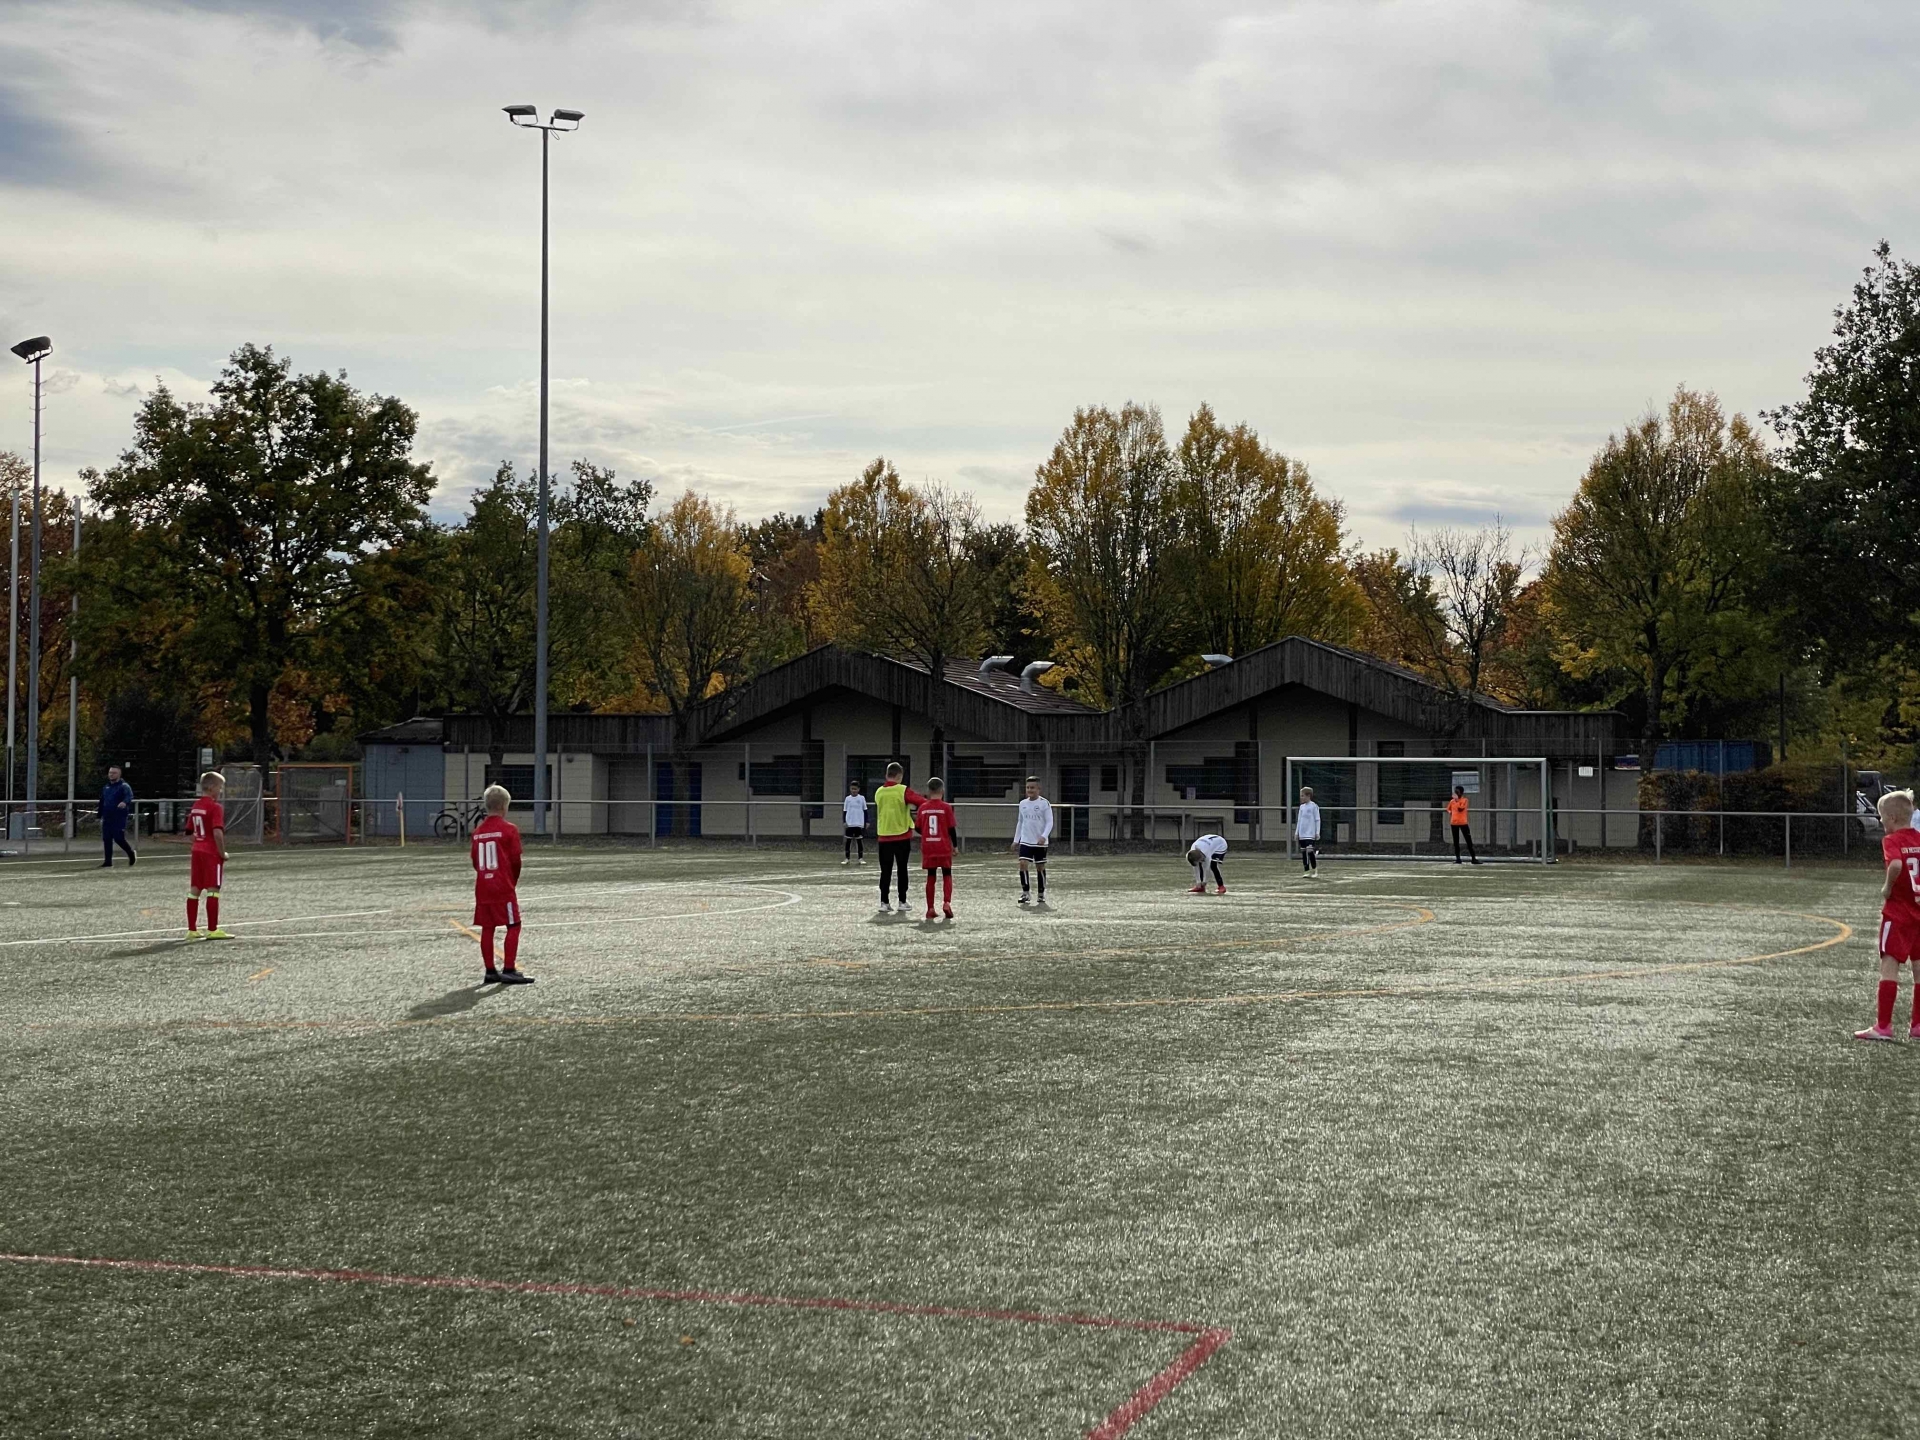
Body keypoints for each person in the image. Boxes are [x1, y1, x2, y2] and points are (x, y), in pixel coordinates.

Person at [1856, 789, 1920, 1042]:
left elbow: (1896, 864)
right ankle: (1917, 1025)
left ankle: (1883, 1026)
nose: (1881, 821)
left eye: (1882, 817)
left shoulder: (1892, 841)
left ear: (1892, 818)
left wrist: (1887, 887)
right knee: (1919, 969)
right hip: (1918, 913)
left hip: (1898, 913)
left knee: (1889, 966)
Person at [472, 783, 533, 985]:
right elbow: (516, 861)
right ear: (504, 806)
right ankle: (508, 968)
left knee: (487, 927)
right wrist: (512, 881)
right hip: (502, 886)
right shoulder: (509, 830)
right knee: (514, 925)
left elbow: (475, 861)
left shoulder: (478, 832)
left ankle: (490, 970)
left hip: (483, 887)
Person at [872, 762, 925, 913]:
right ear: (899, 776)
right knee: (902, 869)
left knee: (885, 871)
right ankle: (902, 901)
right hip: (902, 835)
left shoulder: (879, 792)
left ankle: (884, 902)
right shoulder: (903, 790)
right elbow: (921, 801)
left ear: (886, 775)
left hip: (884, 836)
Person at [185, 771, 230, 940]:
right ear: (212, 787)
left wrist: (198, 843)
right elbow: (217, 832)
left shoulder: (196, 806)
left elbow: (189, 831)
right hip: (211, 852)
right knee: (213, 889)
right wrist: (222, 853)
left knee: (195, 889)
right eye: (220, 787)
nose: (220, 791)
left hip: (197, 850)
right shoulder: (215, 807)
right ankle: (212, 929)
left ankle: (192, 930)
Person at [915, 776, 959, 921]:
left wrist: (927, 833)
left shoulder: (923, 808)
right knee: (947, 873)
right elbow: (951, 828)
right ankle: (946, 902)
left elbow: (918, 828)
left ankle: (930, 908)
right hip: (943, 846)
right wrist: (955, 846)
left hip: (928, 846)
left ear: (928, 791)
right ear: (942, 791)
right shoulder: (946, 807)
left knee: (931, 876)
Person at [1011, 775, 1053, 905]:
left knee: (1040, 866)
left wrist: (1044, 836)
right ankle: (1025, 893)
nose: (1030, 790)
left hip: (1039, 842)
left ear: (1038, 789)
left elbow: (1050, 822)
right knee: (1023, 863)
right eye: (1028, 787)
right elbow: (1020, 822)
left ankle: (1041, 893)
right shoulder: (1022, 804)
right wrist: (1016, 840)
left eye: (1032, 788)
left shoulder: (1044, 803)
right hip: (1026, 840)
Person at [98, 764, 136, 868]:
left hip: (119, 817)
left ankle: (130, 853)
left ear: (119, 774)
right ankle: (108, 862)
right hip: (107, 816)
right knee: (107, 839)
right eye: (110, 772)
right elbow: (102, 801)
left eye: (114, 773)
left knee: (118, 838)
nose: (111, 774)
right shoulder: (106, 787)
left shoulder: (124, 786)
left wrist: (124, 802)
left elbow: (129, 796)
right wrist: (99, 815)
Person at [1447, 785, 1479, 865]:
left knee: (1468, 841)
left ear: (1461, 793)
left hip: (1463, 823)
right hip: (1454, 823)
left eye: (1457, 792)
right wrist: (1451, 812)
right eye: (1455, 792)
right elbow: (1448, 808)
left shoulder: (1464, 800)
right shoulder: (1452, 801)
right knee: (1456, 842)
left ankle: (1473, 858)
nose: (1456, 793)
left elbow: (1460, 809)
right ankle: (1458, 858)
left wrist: (1457, 800)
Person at [842, 780, 869, 865]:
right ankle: (847, 858)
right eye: (852, 789)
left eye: (855, 789)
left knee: (859, 841)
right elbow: (845, 811)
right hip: (850, 823)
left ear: (858, 789)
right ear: (850, 789)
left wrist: (867, 821)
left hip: (859, 823)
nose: (854, 790)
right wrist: (844, 821)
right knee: (848, 841)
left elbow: (865, 810)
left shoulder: (862, 798)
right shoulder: (847, 799)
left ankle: (860, 858)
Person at [1296, 785, 1321, 876]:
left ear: (1308, 796)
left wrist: (1317, 832)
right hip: (1302, 833)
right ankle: (1306, 870)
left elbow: (1317, 820)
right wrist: (1297, 832)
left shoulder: (1314, 806)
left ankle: (1314, 869)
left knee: (1310, 851)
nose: (1301, 797)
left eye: (1302, 795)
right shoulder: (1302, 807)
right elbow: (1299, 820)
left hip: (1310, 833)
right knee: (1304, 853)